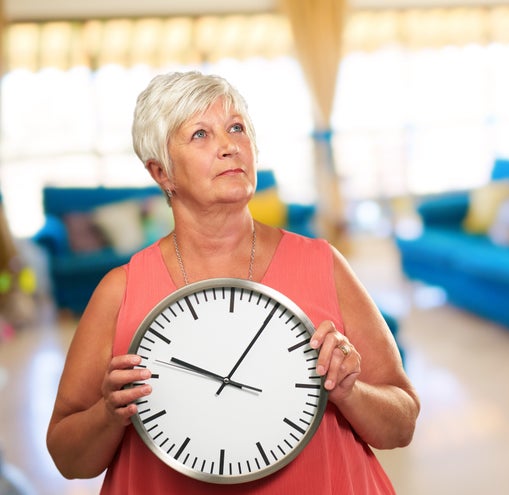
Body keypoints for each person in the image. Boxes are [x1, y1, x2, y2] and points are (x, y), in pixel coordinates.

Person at [46, 71, 420, 494]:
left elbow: (401, 422)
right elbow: (67, 458)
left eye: (237, 128)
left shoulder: (322, 263)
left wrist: (350, 391)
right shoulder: (120, 291)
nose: (229, 146)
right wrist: (108, 415)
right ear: (161, 173)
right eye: (201, 134)